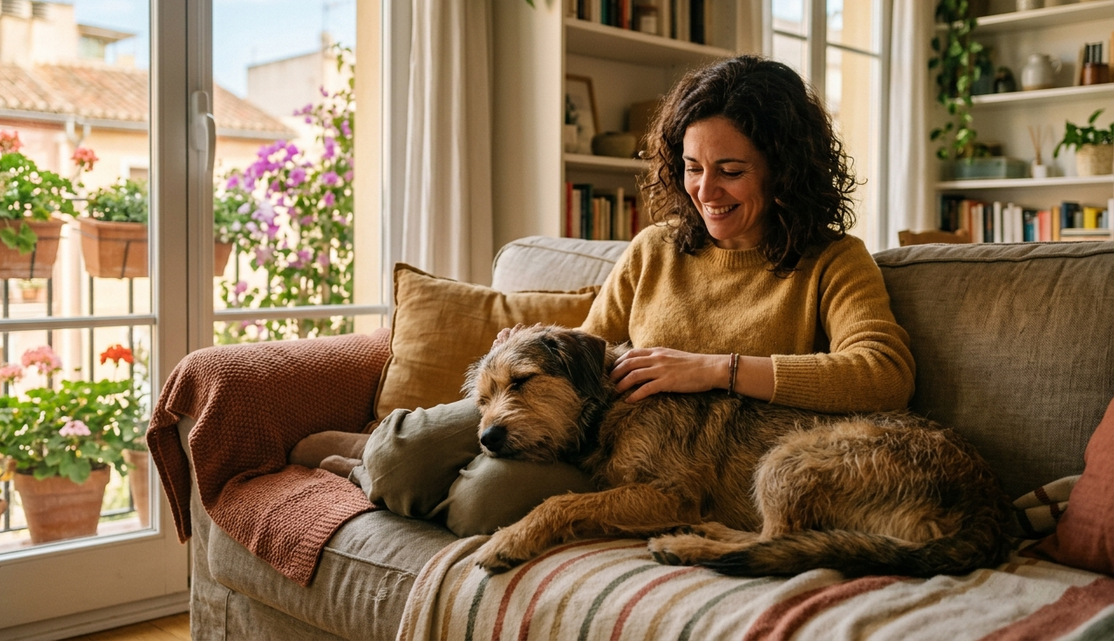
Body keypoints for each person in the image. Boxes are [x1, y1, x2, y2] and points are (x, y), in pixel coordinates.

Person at [315, 55, 915, 537]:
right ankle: (373, 456)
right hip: (585, 415)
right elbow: (590, 346)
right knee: (402, 454)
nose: (706, 191)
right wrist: (524, 346)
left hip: (645, 455)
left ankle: (396, 477)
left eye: (730, 170)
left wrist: (715, 370)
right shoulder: (656, 247)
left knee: (480, 507)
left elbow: (883, 374)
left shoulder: (832, 259)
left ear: (783, 170)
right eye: (691, 167)